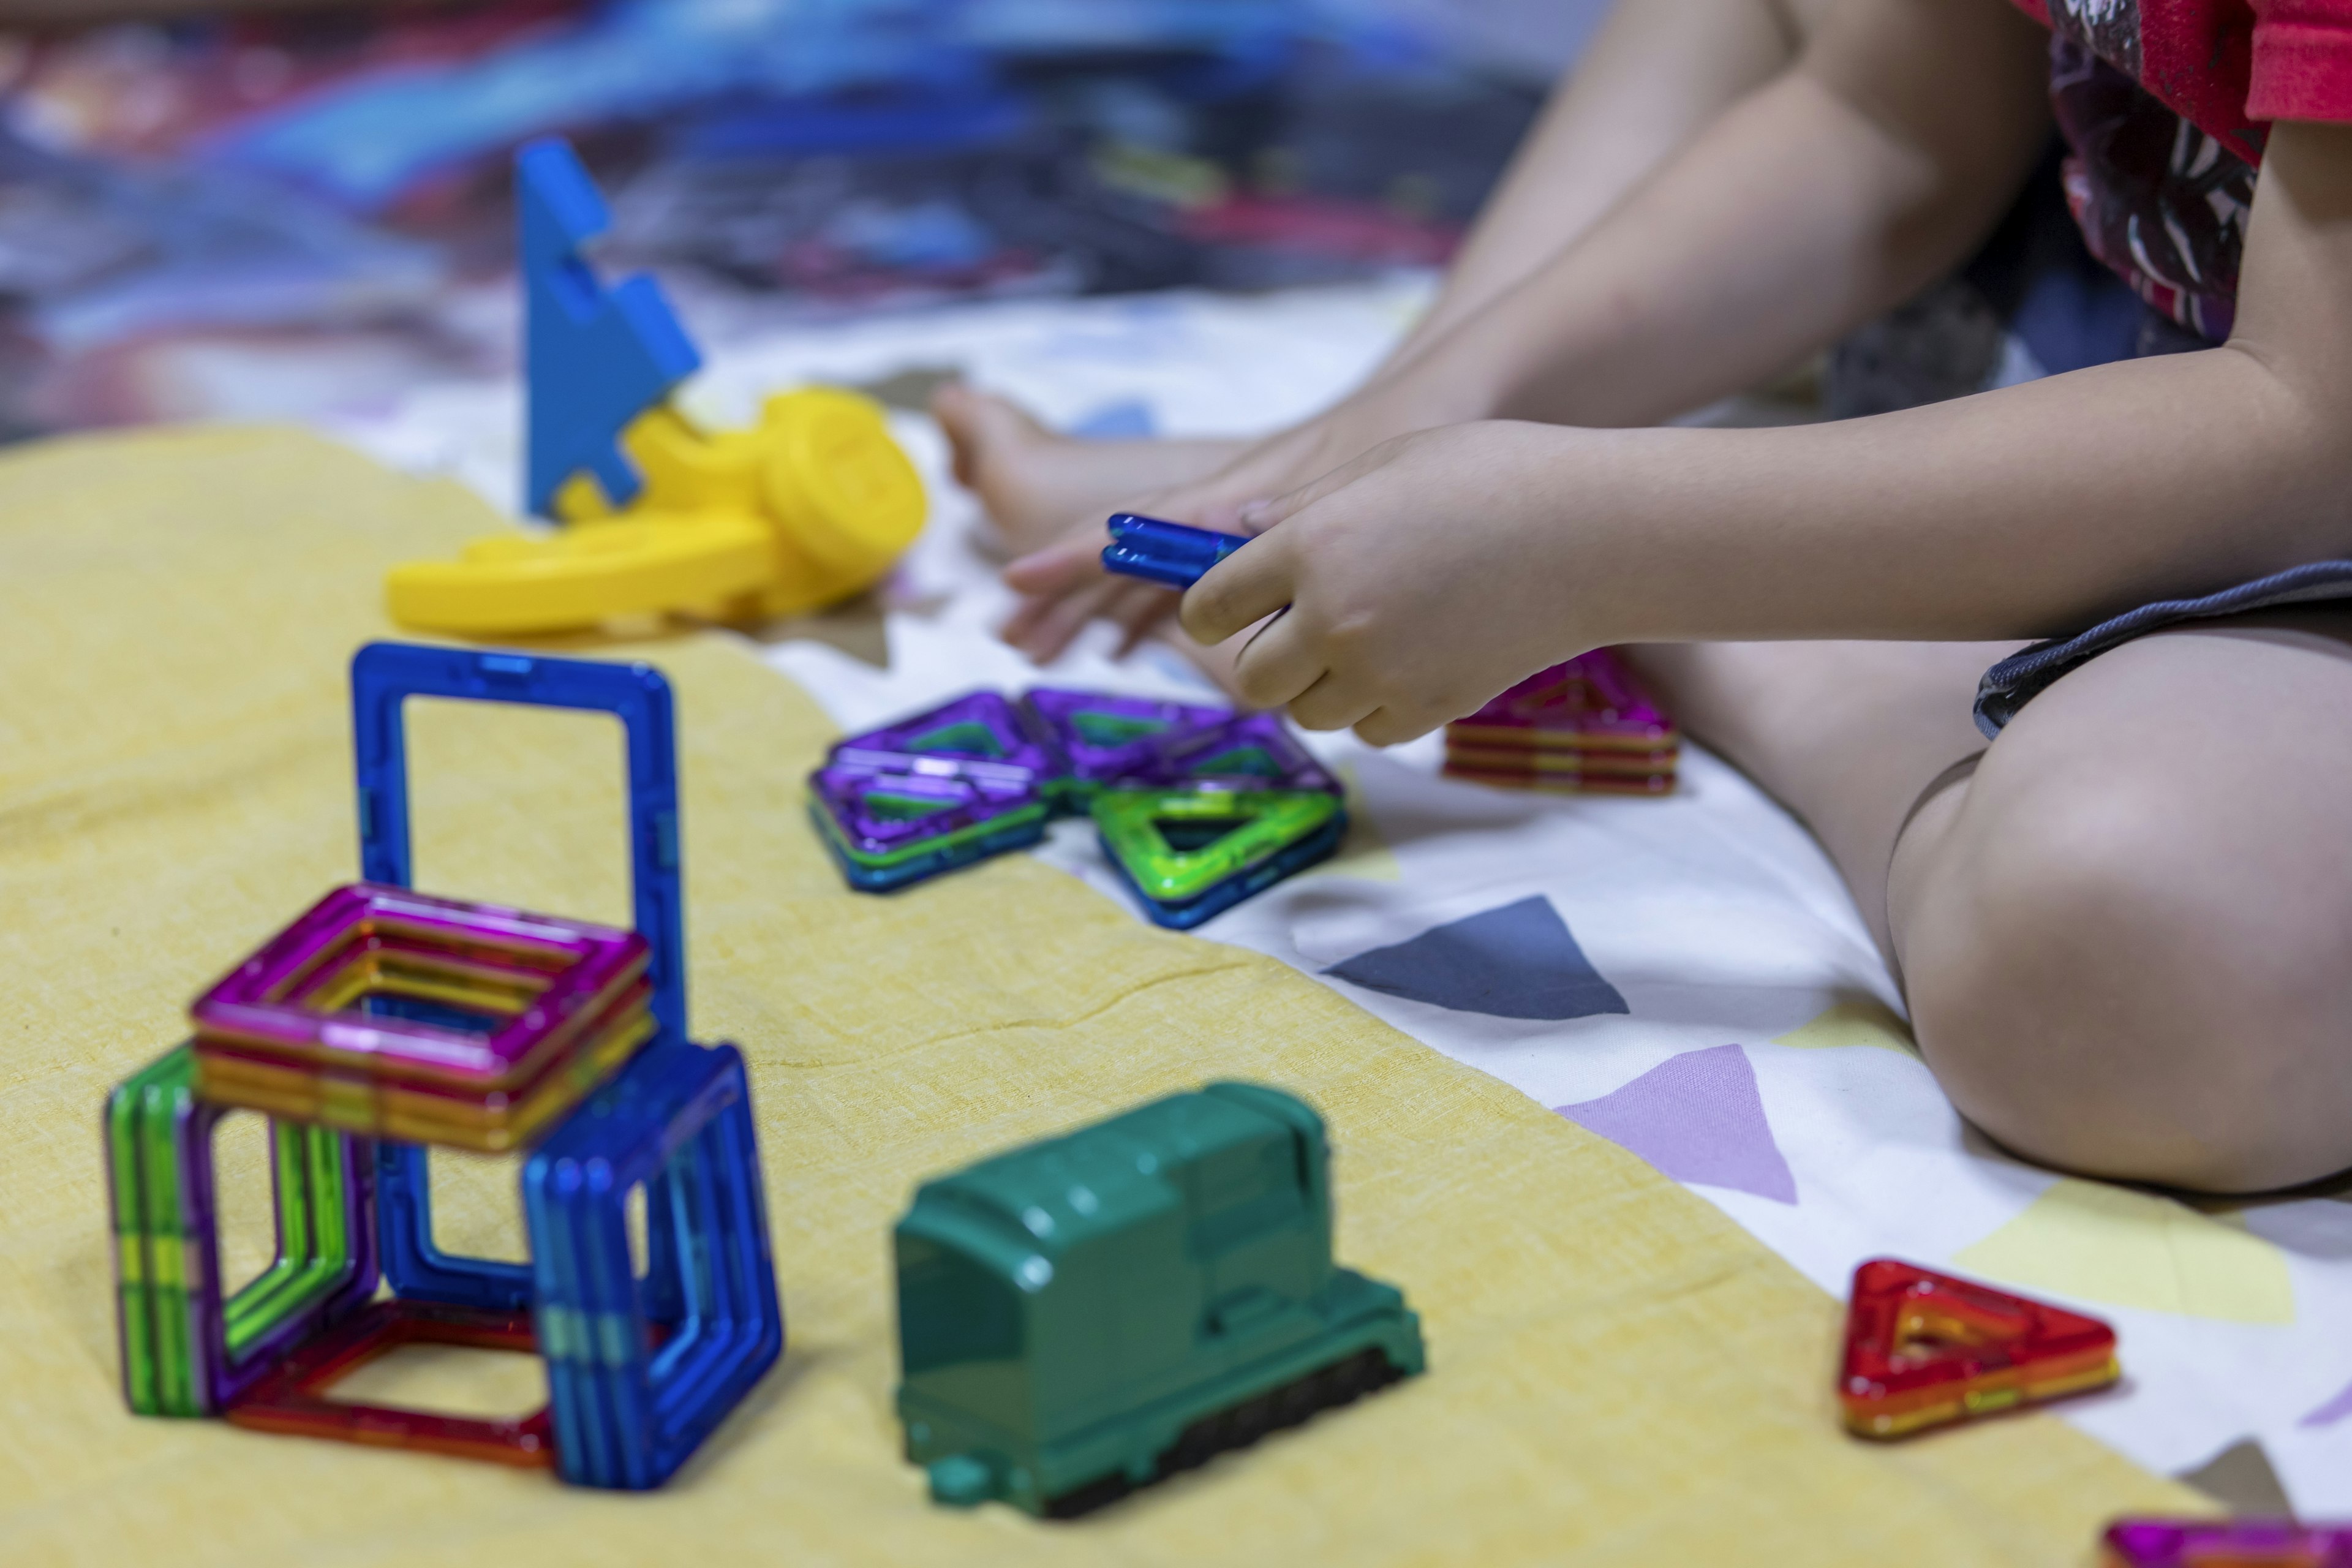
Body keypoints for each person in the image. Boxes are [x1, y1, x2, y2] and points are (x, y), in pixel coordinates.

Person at [935, 0, 2352, 1197]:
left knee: (2139, 964)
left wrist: (1605, 548)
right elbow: (1894, 118)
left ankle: (1793, 652)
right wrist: (1414, 418)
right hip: (2133, 351)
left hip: (2298, 474)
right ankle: (1390, 466)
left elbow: (2312, 433)